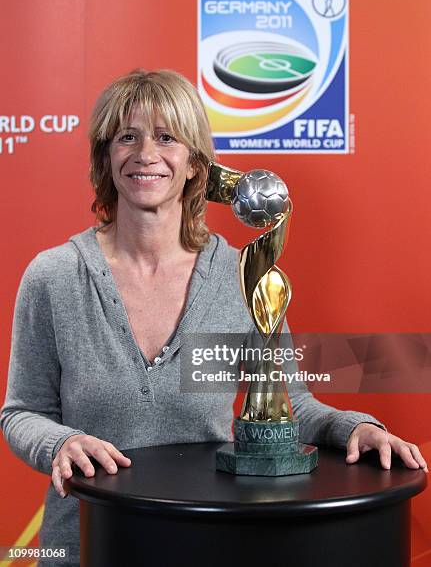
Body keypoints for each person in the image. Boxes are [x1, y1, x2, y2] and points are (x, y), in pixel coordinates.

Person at [1, 69, 427, 566]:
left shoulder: (240, 274)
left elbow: (290, 404)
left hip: (209, 543)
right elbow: (20, 412)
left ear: (194, 163)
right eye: (127, 137)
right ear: (105, 156)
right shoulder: (54, 276)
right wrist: (61, 442)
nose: (146, 154)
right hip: (85, 546)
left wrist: (353, 428)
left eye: (167, 138)